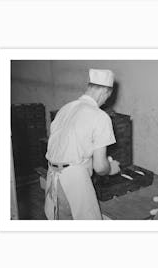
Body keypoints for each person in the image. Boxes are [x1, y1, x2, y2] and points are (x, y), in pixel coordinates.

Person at [44, 68, 120, 220]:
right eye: (107, 97)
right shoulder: (100, 116)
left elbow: (67, 148)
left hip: (53, 177)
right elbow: (100, 167)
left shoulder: (66, 108)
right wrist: (111, 168)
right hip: (74, 181)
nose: (105, 101)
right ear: (105, 92)